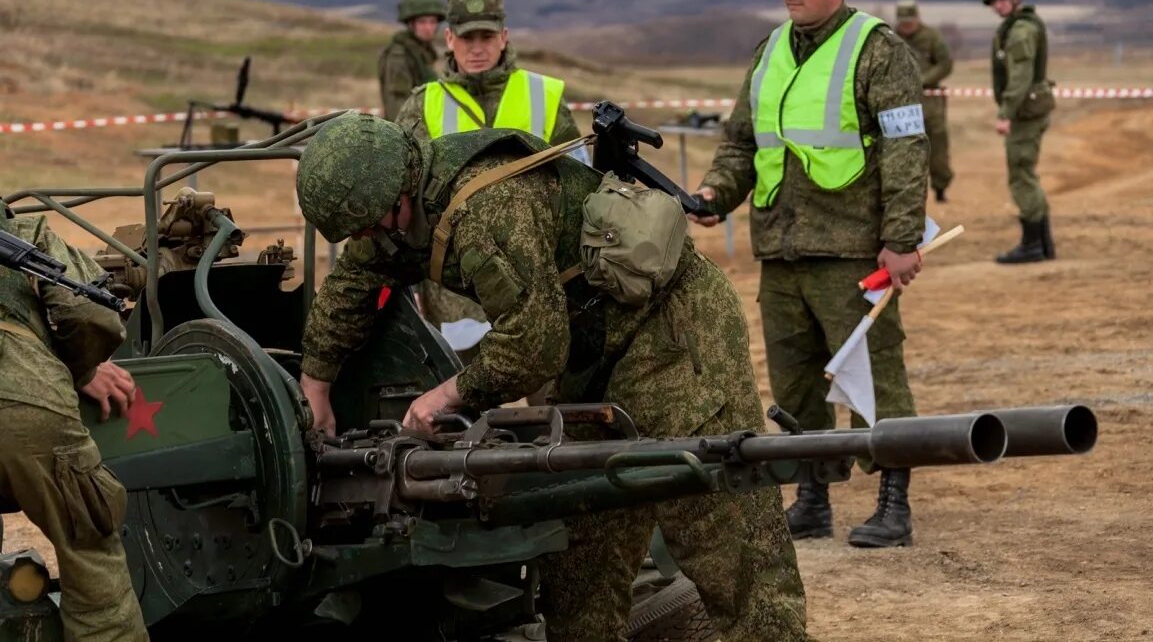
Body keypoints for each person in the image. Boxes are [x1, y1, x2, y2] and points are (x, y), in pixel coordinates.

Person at [293, 111, 810, 641]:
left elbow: (533, 348)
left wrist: (446, 396)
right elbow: (354, 282)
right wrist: (316, 387)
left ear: (395, 195)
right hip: (591, 351)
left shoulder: (486, 209)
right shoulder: (399, 205)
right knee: (583, 540)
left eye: (367, 223)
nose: (365, 237)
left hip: (672, 332)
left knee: (715, 517)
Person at [689, 0, 929, 549]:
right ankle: (813, 496)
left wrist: (901, 238)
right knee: (794, 383)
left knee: (874, 376)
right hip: (782, 247)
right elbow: (743, 143)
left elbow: (906, 149)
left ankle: (893, 502)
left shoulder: (878, 50)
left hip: (852, 250)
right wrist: (717, 193)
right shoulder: (769, 50)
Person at [393, 0, 589, 359]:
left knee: (558, 406)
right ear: (449, 39)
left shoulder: (542, 95)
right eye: (467, 38)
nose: (477, 48)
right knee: (463, 404)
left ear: (504, 36)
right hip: (456, 292)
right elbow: (403, 203)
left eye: (486, 37)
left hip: (542, 279)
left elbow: (581, 183)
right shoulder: (422, 105)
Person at [0, 205, 148, 641]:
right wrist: (81, 371)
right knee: (90, 553)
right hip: (23, 398)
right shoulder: (26, 231)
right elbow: (91, 314)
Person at [982, 0, 1056, 264]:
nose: (997, 6)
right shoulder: (1017, 26)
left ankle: (1032, 245)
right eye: (993, 2)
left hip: (1025, 114)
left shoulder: (1021, 31)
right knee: (1027, 175)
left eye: (1001, 0)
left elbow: (1020, 78)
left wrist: (1006, 113)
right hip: (1029, 111)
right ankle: (1043, 243)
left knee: (1021, 176)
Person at [895, 0, 954, 202]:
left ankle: (940, 187)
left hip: (931, 103)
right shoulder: (891, 38)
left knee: (937, 147)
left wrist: (924, 80)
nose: (907, 26)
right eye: (903, 22)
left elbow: (945, 64)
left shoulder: (932, 37)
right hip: (901, 103)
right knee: (903, 149)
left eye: (910, 21)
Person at [377, 0, 446, 120]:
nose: (428, 28)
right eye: (422, 22)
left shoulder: (423, 52)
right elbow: (397, 101)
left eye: (432, 22)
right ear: (411, 24)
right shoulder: (399, 55)